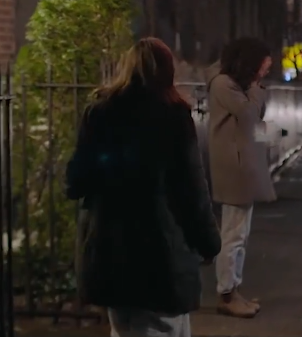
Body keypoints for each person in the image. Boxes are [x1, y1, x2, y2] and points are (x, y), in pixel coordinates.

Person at [66, 37, 221, 337]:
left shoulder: (100, 113)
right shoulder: (173, 116)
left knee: (123, 327)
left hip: (110, 250)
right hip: (159, 253)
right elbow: (190, 189)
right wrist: (208, 242)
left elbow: (75, 181)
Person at [205, 37, 276, 318]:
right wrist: (256, 89)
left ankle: (233, 288)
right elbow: (248, 115)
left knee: (240, 234)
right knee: (233, 234)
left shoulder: (237, 86)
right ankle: (226, 293)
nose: (264, 73)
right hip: (233, 166)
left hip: (241, 163)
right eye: (262, 67)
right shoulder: (224, 84)